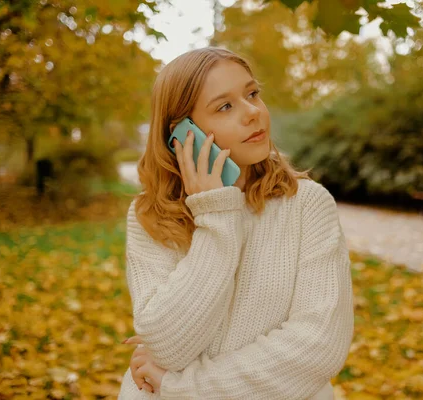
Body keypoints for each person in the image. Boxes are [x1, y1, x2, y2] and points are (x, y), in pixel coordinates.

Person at [117, 46, 354, 399]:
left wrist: (182, 386)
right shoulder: (150, 216)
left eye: (253, 94)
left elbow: (316, 347)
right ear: (184, 133)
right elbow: (168, 346)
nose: (253, 112)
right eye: (225, 106)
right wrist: (216, 215)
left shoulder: (307, 204)